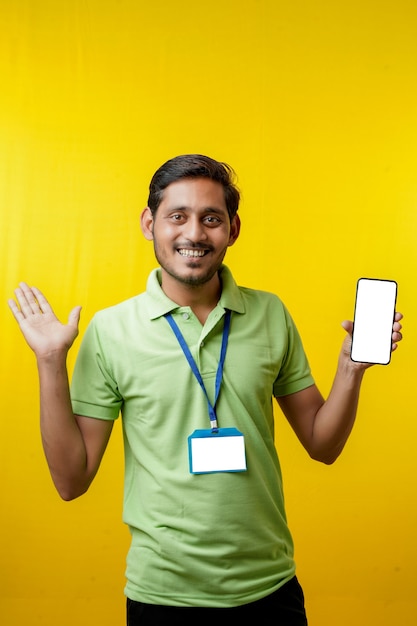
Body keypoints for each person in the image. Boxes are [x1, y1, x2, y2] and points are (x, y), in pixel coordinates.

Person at [8, 154, 403, 626]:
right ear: (149, 223)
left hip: (270, 589)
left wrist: (351, 370)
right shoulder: (111, 330)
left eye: (211, 219)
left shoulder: (270, 313)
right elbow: (71, 481)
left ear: (233, 229)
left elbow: (323, 444)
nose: (194, 234)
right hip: (162, 596)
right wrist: (51, 362)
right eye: (178, 216)